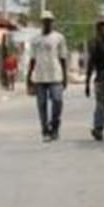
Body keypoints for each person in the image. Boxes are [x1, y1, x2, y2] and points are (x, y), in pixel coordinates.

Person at [27, 10, 68, 142]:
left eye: (49, 21)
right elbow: (32, 59)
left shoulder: (59, 38)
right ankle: (45, 130)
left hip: (55, 75)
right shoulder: (35, 40)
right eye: (45, 21)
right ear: (42, 22)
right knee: (42, 104)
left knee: (57, 101)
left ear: (52, 22)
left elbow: (63, 58)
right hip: (40, 76)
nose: (47, 23)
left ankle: (55, 126)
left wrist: (65, 76)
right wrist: (29, 78)